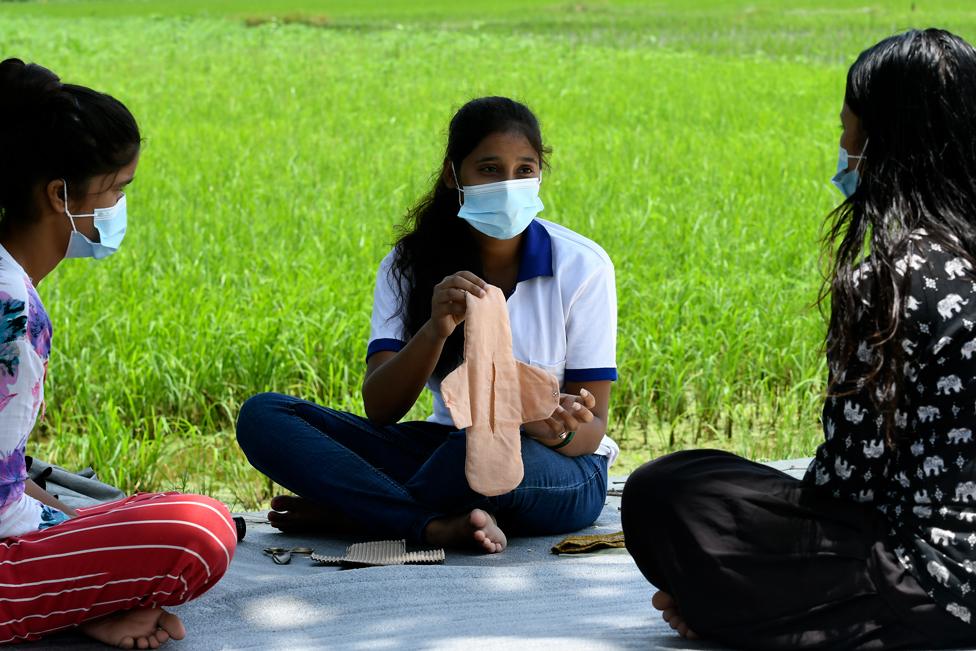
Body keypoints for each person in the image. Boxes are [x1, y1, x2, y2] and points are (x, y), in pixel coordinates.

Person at [621, 29, 976, 649]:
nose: (842, 146)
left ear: (886, 142)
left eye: (848, 127)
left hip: (935, 583)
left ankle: (749, 607)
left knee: (670, 490)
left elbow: (849, 482)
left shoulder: (890, 280)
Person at [237, 96, 618, 553]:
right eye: (490, 169)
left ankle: (356, 514)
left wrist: (548, 425)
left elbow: (591, 428)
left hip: (556, 465)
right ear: (453, 175)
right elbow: (381, 409)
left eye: (524, 170)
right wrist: (436, 329)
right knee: (264, 416)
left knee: (471, 457)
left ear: (540, 174)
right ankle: (429, 523)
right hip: (445, 447)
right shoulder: (409, 265)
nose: (509, 185)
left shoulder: (582, 266)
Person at [0, 58, 236, 648]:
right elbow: (4, 514)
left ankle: (76, 601)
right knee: (199, 528)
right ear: (59, 195)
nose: (119, 208)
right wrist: (83, 554)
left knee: (116, 519)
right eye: (116, 190)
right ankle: (54, 604)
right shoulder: (11, 311)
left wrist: (81, 531)